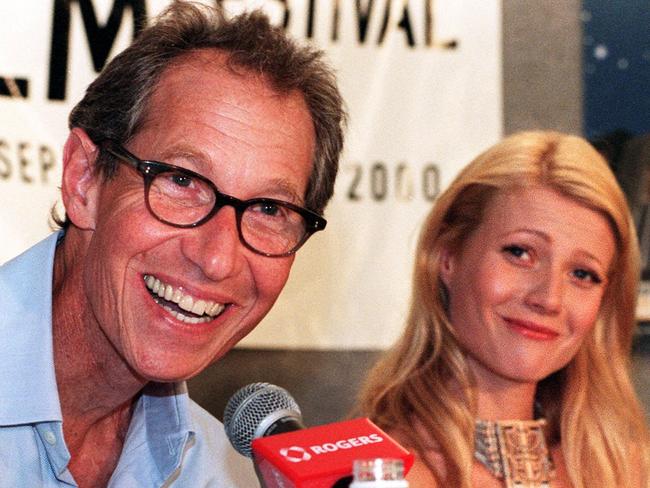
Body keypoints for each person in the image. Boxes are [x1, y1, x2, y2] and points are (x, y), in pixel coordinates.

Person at [0, 2, 345, 486]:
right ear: (84, 181)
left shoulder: (220, 471)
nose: (217, 259)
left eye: (270, 209)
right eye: (182, 180)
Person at [356, 131, 649, 488]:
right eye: (520, 253)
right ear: (447, 258)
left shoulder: (631, 472)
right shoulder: (378, 475)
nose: (549, 298)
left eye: (582, 274)